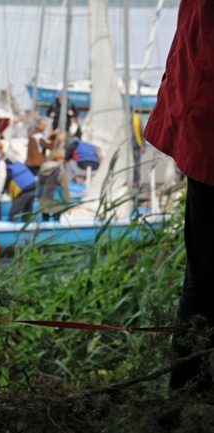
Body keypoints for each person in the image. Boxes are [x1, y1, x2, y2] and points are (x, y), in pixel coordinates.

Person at [142, 0, 214, 392]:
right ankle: (189, 404)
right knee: (205, 281)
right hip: (208, 128)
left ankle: (187, 404)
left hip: (205, 124)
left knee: (203, 280)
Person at [36, 149, 71, 221]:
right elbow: (65, 189)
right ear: (58, 159)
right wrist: (68, 204)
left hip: (43, 199)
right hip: (56, 201)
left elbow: (38, 184)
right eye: (62, 159)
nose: (63, 160)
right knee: (56, 223)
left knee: (44, 221)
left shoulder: (42, 169)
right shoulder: (60, 171)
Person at [131, 107, 146, 188]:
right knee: (134, 165)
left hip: (136, 146)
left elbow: (142, 132)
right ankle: (134, 182)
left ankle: (136, 183)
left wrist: (143, 146)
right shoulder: (128, 121)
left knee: (136, 165)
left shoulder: (136, 119)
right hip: (130, 147)